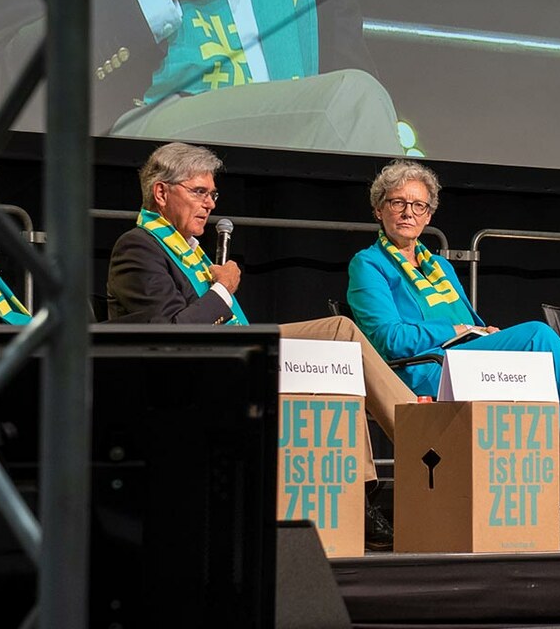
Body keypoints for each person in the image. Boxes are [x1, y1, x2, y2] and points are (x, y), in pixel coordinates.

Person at [105, 142, 408, 550]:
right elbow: (170, 332)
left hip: (238, 352)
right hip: (192, 374)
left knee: (341, 333)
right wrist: (221, 290)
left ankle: (404, 445)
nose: (209, 204)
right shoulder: (138, 246)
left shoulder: (188, 251)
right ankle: (375, 482)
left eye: (213, 194)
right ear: (161, 193)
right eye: (199, 192)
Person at [346, 159, 560, 543]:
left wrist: (483, 330)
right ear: (379, 209)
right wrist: (456, 329)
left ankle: (546, 511)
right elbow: (388, 337)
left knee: (537, 374)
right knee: (538, 337)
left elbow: (471, 325)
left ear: (429, 215)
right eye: (397, 202)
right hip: (422, 370)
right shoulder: (368, 265)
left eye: (418, 205)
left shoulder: (440, 266)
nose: (408, 212)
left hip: (467, 361)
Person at [0, 0, 403, 153]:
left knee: (358, 101)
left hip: (281, 188)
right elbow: (2, 82)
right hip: (126, 154)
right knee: (350, 103)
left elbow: (347, 61)